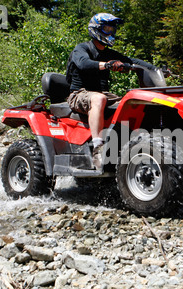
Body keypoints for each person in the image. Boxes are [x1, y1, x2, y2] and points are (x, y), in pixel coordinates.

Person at [66, 13, 154, 171]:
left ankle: (131, 145)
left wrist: (155, 69)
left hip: (104, 95)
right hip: (79, 94)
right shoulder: (82, 48)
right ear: (96, 30)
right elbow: (83, 63)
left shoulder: (108, 53)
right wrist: (107, 65)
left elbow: (132, 61)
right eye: (107, 29)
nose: (111, 33)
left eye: (113, 29)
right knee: (98, 99)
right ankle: (98, 147)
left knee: (131, 103)